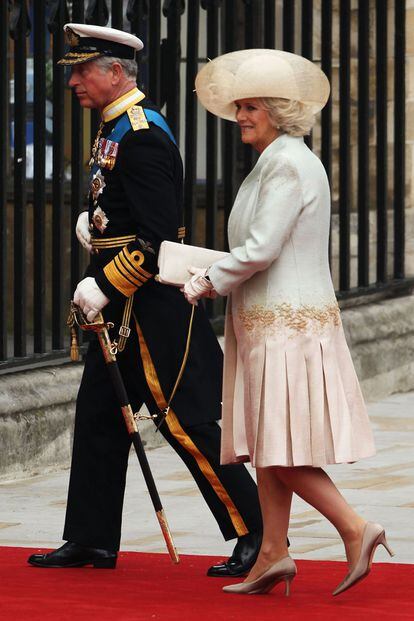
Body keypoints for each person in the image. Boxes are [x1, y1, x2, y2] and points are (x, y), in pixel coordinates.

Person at [27, 24, 263, 575]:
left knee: (189, 423)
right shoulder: (114, 126)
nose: (74, 82)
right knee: (100, 418)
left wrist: (107, 284)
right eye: (73, 72)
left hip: (148, 307)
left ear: (115, 73)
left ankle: (257, 534)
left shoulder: (143, 132)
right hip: (116, 307)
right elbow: (123, 210)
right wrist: (95, 226)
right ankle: (91, 538)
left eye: (83, 71)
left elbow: (159, 236)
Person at [184, 48, 394, 596]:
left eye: (251, 107)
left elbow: (261, 249)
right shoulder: (275, 160)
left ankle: (355, 527)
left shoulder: (289, 164)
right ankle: (273, 553)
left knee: (281, 448)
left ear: (278, 111)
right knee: (269, 443)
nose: (241, 117)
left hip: (285, 327)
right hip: (268, 322)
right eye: (239, 107)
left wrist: (207, 278)